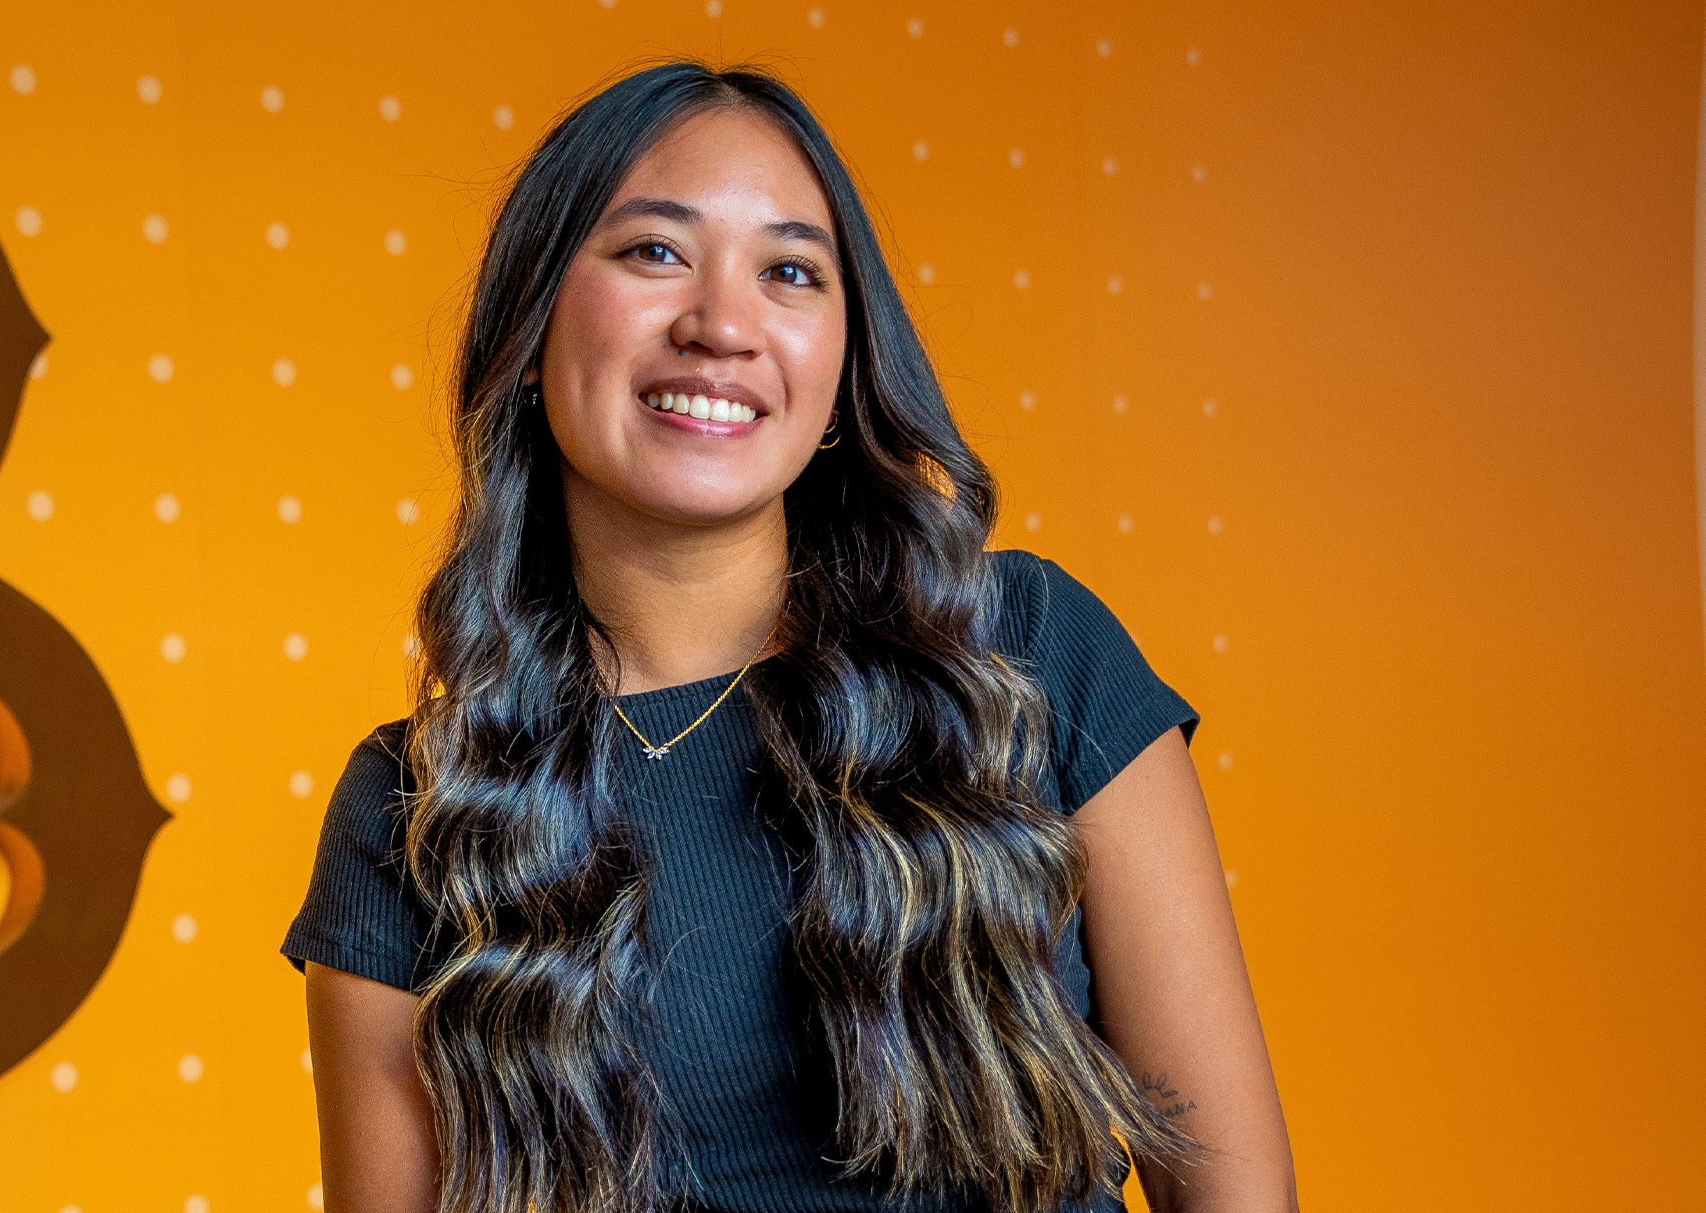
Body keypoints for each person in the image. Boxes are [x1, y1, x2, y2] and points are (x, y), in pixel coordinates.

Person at [283, 62, 1297, 1213]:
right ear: (528, 331)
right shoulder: (418, 809)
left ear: (840, 362)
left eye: (790, 271)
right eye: (655, 252)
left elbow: (1233, 1183)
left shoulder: (1025, 649)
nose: (722, 324)